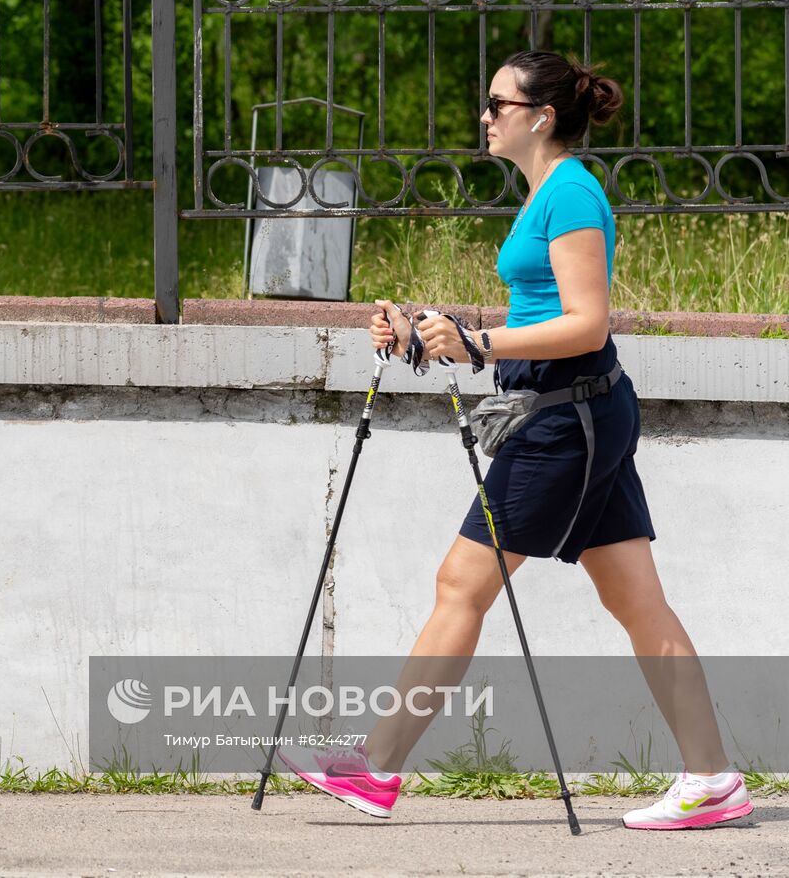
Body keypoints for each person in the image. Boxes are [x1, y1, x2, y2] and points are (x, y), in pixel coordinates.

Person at [277, 51, 752, 830]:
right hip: (576, 409)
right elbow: (538, 315)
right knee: (637, 601)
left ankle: (377, 768)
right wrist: (431, 330)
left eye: (499, 104)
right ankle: (713, 778)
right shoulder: (546, 193)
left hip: (567, 421)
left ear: (542, 116)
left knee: (461, 584)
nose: (486, 116)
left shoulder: (572, 193)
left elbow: (587, 323)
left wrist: (479, 344)